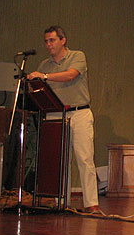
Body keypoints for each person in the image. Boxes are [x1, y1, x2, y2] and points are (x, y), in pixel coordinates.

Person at [27, 26, 100, 214]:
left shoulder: (77, 56)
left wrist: (43, 76)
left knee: (84, 158)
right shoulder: (45, 64)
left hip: (79, 113)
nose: (48, 44)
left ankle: (91, 203)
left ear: (63, 40)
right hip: (55, 115)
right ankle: (61, 200)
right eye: (46, 41)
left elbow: (70, 75)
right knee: (58, 160)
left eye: (52, 40)